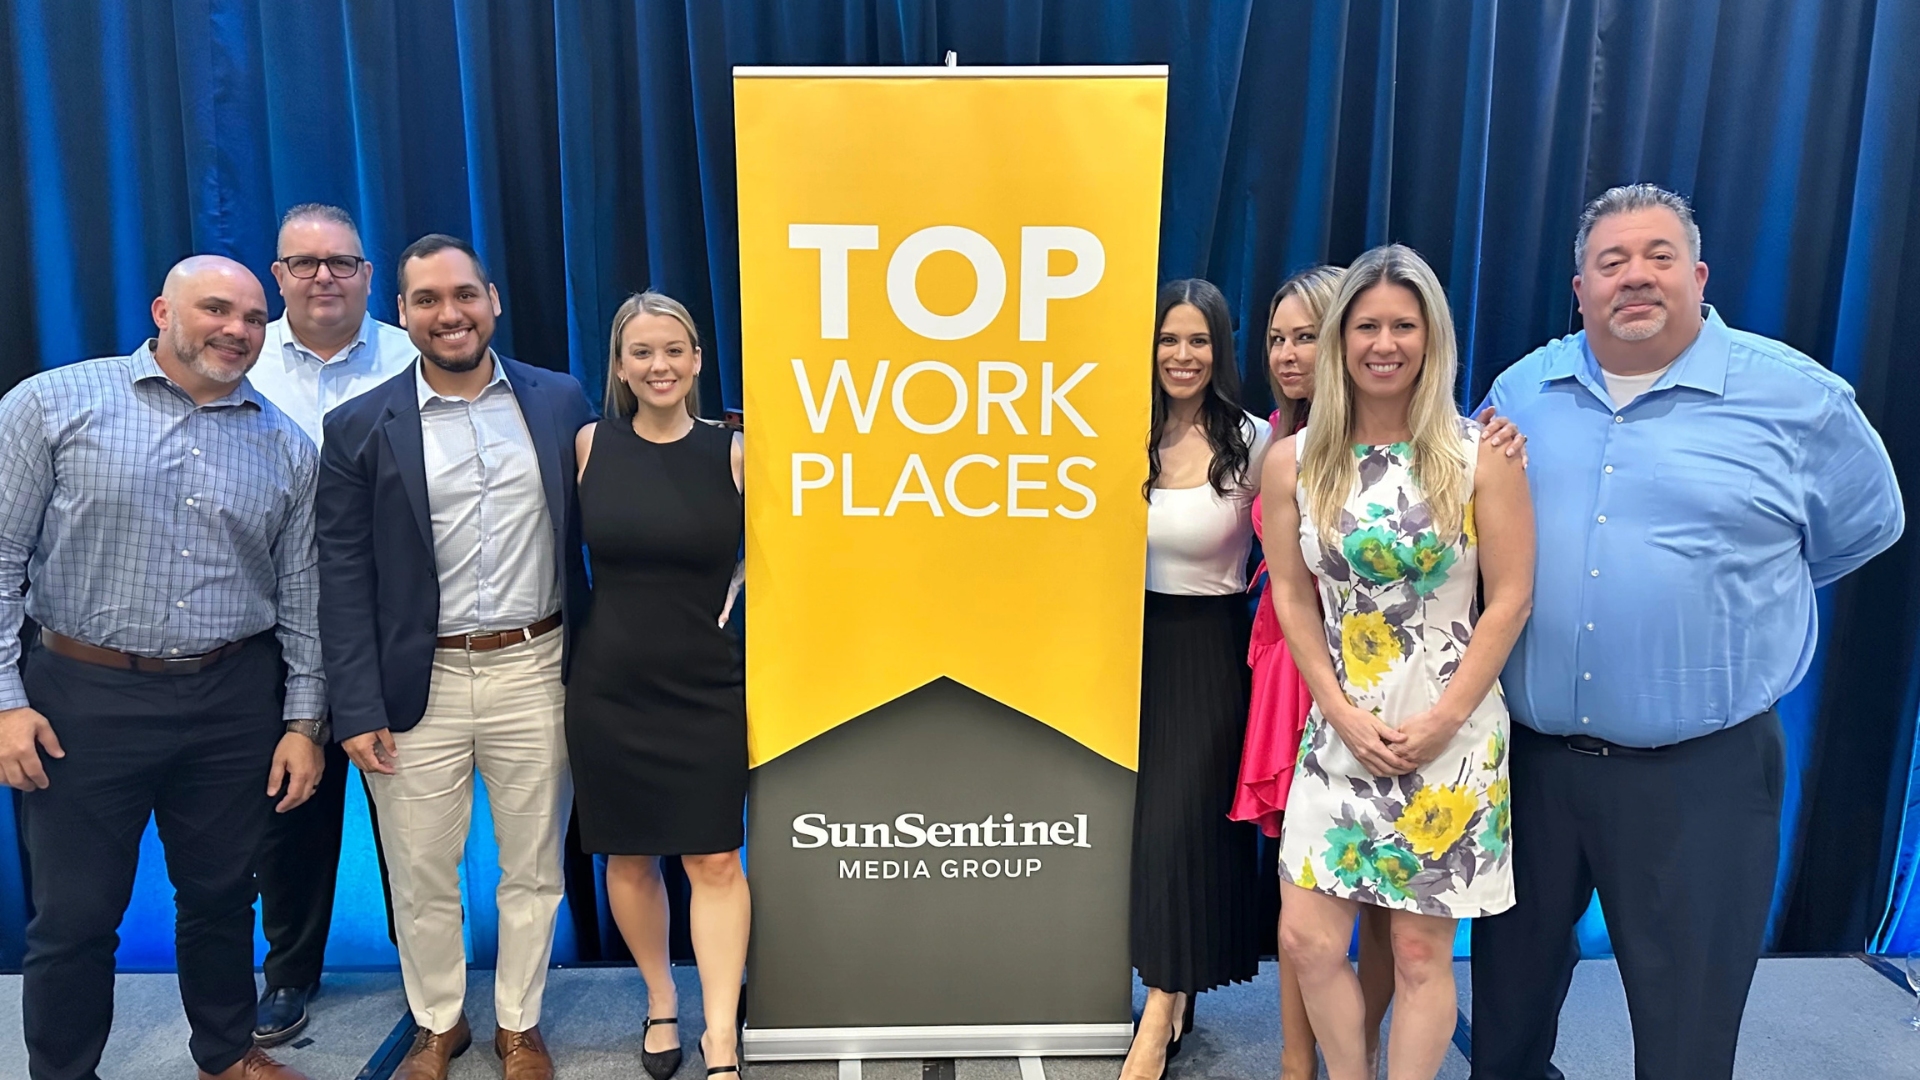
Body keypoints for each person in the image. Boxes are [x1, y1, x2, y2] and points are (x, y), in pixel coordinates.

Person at [1469, 184, 1904, 1080]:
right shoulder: (1521, 390)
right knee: (1507, 1024)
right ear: (1580, 287)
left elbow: (1863, 531)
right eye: (1612, 261)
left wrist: (1716, 605)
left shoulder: (1799, 402)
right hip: (1530, 770)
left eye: (1659, 256)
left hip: (1702, 778)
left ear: (1698, 275)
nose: (1636, 276)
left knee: (1685, 1043)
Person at [0, 255, 325, 1080]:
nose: (237, 331)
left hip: (232, 697)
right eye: (217, 310)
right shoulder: (51, 404)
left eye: (253, 319)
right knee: (74, 916)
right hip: (80, 697)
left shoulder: (285, 446)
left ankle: (226, 1052)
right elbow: (1, 558)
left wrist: (301, 723)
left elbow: (302, 598)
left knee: (221, 897)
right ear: (161, 311)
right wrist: (5, 701)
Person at [316, 234, 596, 1080]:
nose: (450, 314)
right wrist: (354, 705)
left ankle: (519, 1023)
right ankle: (440, 1023)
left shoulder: (559, 401)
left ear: (493, 299)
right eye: (428, 300)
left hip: (536, 669)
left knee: (533, 866)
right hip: (417, 683)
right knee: (421, 872)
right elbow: (340, 574)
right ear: (401, 314)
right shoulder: (359, 424)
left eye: (463, 295)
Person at [1264, 244, 1534, 1080]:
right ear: (1341, 340)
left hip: (1447, 734)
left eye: (1404, 325)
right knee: (1307, 939)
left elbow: (1513, 597)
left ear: (1433, 337)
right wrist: (1338, 710)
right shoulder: (1295, 462)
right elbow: (1293, 600)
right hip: (1339, 729)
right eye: (1367, 325)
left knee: (1420, 956)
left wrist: (1443, 719)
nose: (1385, 343)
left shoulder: (1481, 454)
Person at [565, 292, 748, 1080]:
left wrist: (749, 576)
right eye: (641, 352)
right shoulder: (586, 446)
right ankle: (660, 1001)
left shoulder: (739, 451)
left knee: (715, 861)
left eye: (673, 350)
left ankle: (723, 1036)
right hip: (611, 685)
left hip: (709, 684)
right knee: (630, 857)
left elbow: (794, 550)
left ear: (698, 360)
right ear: (619, 366)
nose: (659, 365)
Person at [245, 202, 416, 1047]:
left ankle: (428, 976)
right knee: (292, 810)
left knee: (413, 812)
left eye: (341, 263)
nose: (323, 277)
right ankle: (288, 974)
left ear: (368, 274)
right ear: (277, 275)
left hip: (391, 623)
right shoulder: (242, 360)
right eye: (304, 263)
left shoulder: (412, 356)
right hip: (273, 628)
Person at [1122, 279, 1269, 1080]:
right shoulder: (1119, 429)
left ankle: (1157, 1014)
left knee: (1180, 830)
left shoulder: (1255, 442)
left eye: (1198, 341)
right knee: (1135, 833)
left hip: (1210, 653)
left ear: (1221, 349)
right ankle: (1172, 994)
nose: (1182, 356)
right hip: (1119, 651)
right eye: (1168, 340)